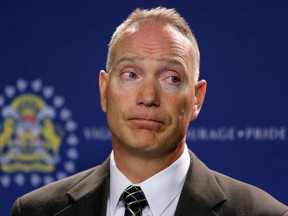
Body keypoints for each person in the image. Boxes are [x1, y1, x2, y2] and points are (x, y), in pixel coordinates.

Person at [11, 7, 288, 216]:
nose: (148, 97)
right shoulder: (36, 211)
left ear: (196, 99)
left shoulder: (264, 213)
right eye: (131, 74)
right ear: (104, 90)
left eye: (171, 78)